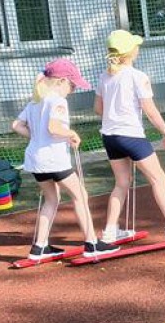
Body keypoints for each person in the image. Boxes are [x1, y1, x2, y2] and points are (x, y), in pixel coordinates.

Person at [96, 29, 165, 242]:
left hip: (109, 136)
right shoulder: (137, 77)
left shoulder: (105, 76)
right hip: (131, 136)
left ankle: (110, 230)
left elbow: (98, 109)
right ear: (131, 51)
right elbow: (151, 111)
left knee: (121, 183)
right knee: (158, 178)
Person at [10, 60, 116, 261]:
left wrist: (35, 137)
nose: (73, 89)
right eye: (72, 85)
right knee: (80, 196)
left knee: (52, 199)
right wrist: (71, 133)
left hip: (36, 160)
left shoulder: (35, 101)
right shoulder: (57, 101)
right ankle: (92, 242)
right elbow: (53, 127)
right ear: (60, 81)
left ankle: (39, 246)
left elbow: (16, 125)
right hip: (54, 160)